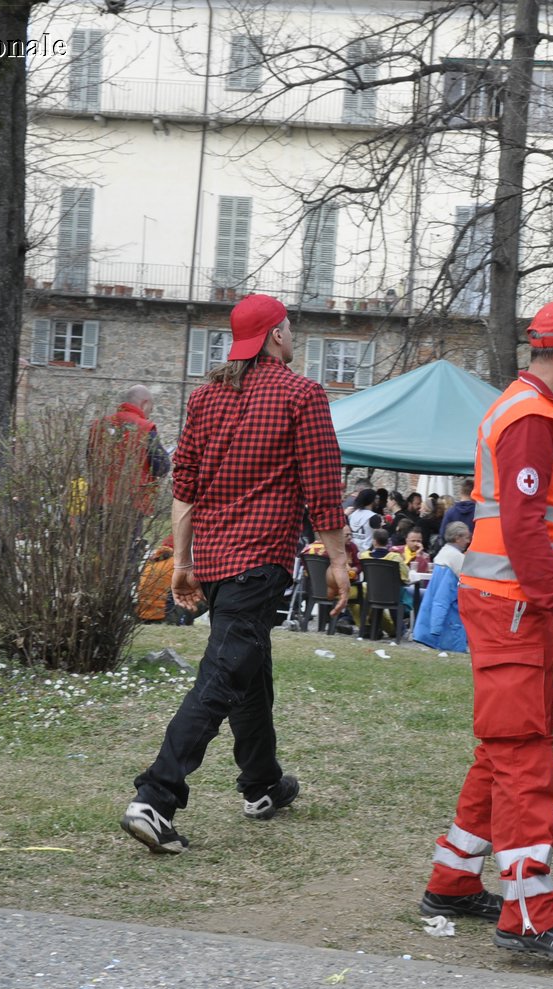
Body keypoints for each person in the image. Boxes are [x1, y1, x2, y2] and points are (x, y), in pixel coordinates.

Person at [421, 298, 553, 962]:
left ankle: (453, 878)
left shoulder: (531, 410)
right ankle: (530, 914)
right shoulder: (532, 417)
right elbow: (524, 529)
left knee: (503, 748)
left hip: (508, 602)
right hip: (516, 605)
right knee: (523, 754)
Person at [122, 293, 348, 855]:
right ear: (275, 335)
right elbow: (322, 488)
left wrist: (184, 560)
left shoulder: (204, 398)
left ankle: (262, 783)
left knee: (248, 666)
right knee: (223, 675)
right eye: (290, 328)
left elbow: (185, 489)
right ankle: (155, 795)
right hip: (258, 559)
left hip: (218, 563)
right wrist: (340, 561)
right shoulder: (303, 394)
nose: (292, 337)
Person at [91, 385, 170, 512]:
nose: (149, 415)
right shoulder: (146, 427)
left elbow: (91, 460)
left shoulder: (98, 425)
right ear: (145, 404)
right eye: (150, 410)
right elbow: (161, 468)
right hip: (133, 502)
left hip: (100, 499)